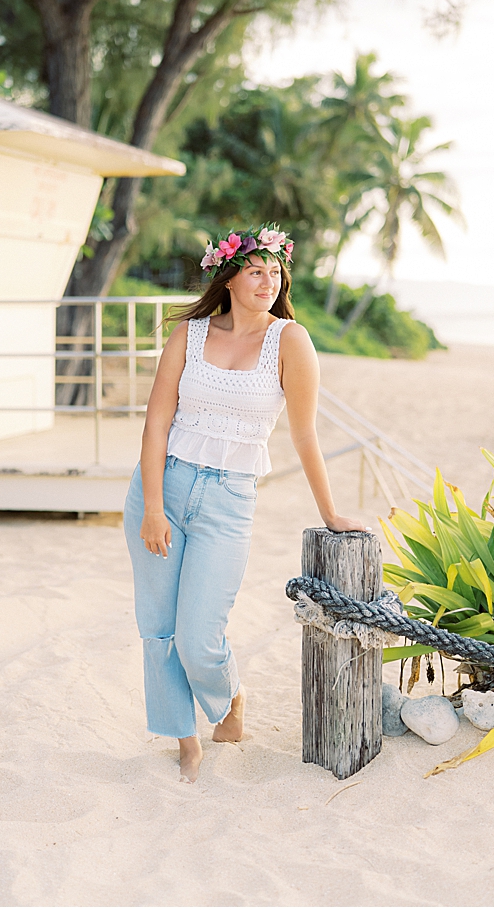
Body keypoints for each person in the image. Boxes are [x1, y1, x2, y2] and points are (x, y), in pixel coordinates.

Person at [124, 224, 365, 783]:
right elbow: (157, 420)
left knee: (198, 636)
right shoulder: (190, 333)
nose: (267, 279)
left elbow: (304, 434)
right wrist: (154, 507)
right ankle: (186, 742)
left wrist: (330, 514)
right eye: (255, 270)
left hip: (229, 500)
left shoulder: (291, 341)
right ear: (228, 276)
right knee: (159, 629)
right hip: (162, 488)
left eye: (274, 271)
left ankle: (229, 695)